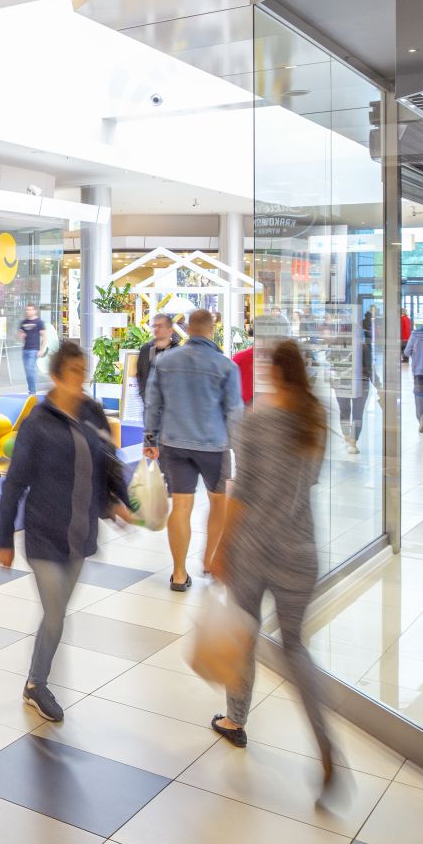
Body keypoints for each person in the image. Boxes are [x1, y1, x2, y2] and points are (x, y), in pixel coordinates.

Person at [208, 339, 342, 799]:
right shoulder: (316, 420)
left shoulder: (257, 420)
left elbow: (242, 492)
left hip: (253, 549)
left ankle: (235, 720)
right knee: (295, 647)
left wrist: (220, 548)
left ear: (275, 372)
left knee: (242, 635)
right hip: (301, 550)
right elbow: (311, 479)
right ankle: (324, 741)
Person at [0, 341, 133, 722]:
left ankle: (34, 680)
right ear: (57, 376)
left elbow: (108, 462)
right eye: (75, 372)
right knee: (55, 613)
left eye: (84, 371)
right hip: (43, 534)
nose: (82, 379)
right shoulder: (37, 424)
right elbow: (14, 484)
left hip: (80, 533)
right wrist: (4, 538)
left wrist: (118, 502)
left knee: (56, 614)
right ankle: (37, 684)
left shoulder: (92, 413)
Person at [144, 309, 242, 591]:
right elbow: (234, 412)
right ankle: (209, 561)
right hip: (215, 445)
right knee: (218, 502)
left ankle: (178, 574)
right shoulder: (226, 366)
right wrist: (238, 450)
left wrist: (150, 440)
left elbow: (153, 404)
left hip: (174, 443)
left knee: (181, 505)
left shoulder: (165, 361)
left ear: (188, 329)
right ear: (212, 330)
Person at [336, 315, 374, 454]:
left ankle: (347, 435)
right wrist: (378, 384)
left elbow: (329, 360)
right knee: (358, 414)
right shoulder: (363, 346)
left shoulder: (336, 345)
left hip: (342, 382)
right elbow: (370, 368)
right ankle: (353, 441)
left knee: (344, 411)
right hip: (361, 383)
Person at [135, 313, 180, 409]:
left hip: (171, 407)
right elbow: (140, 375)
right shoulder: (146, 349)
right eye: (154, 326)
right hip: (150, 405)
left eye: (160, 326)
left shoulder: (177, 351)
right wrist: (144, 395)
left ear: (170, 330)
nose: (156, 329)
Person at [404, 310, 423, 433]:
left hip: (419, 369)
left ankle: (422, 416)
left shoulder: (415, 334)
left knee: (419, 394)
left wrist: (416, 355)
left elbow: (407, 351)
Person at [18, 303, 46, 395]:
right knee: (28, 371)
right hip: (25, 350)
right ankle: (31, 389)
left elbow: (44, 336)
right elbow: (19, 334)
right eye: (27, 310)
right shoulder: (23, 322)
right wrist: (21, 335)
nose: (28, 311)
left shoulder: (39, 322)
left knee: (30, 370)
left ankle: (32, 391)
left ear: (34, 311)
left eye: (30, 309)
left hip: (34, 350)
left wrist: (41, 350)